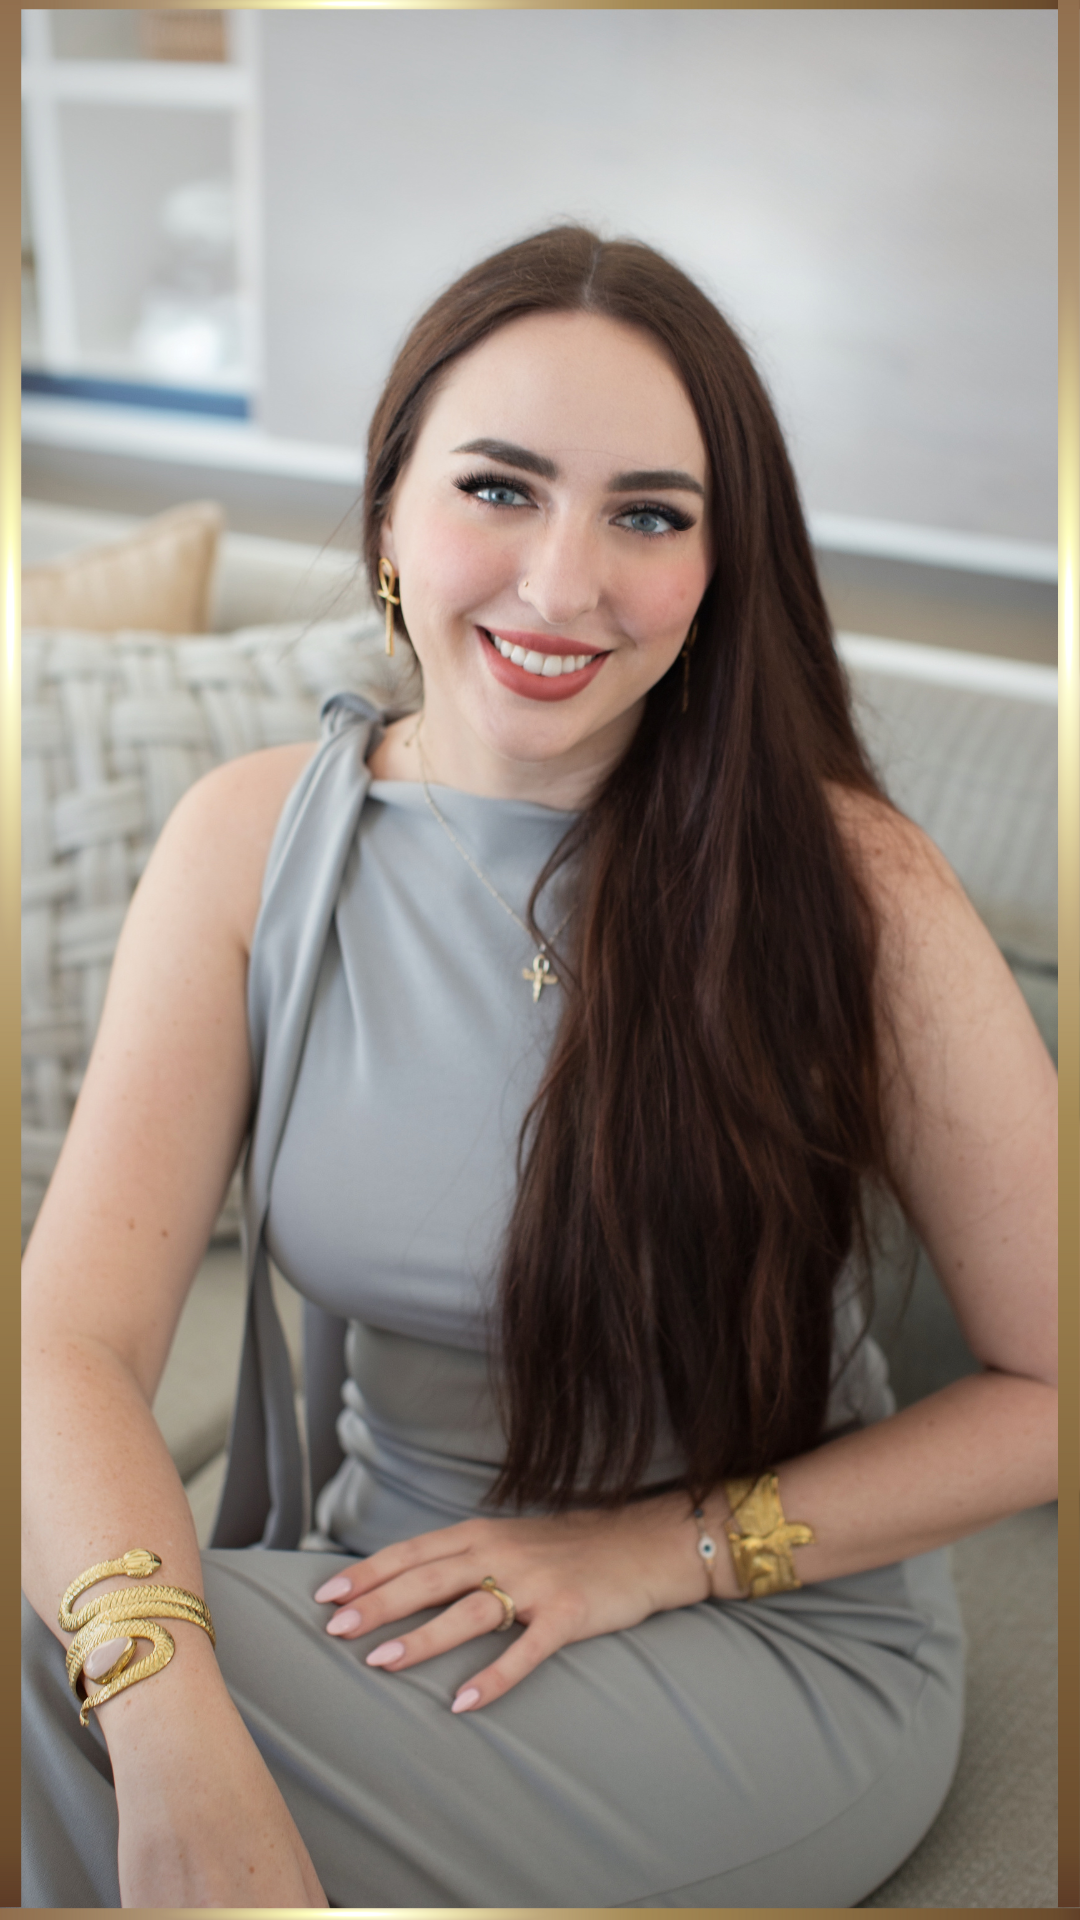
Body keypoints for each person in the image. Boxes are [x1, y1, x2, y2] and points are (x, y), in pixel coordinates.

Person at [21, 226, 1056, 1910]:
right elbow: (65, 1336)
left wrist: (664, 1549)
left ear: (720, 571)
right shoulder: (245, 849)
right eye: (499, 488)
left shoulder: (858, 884)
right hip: (376, 1582)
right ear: (387, 516)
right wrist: (162, 1704)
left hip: (756, 1637)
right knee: (91, 1662)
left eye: (648, 514)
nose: (565, 584)